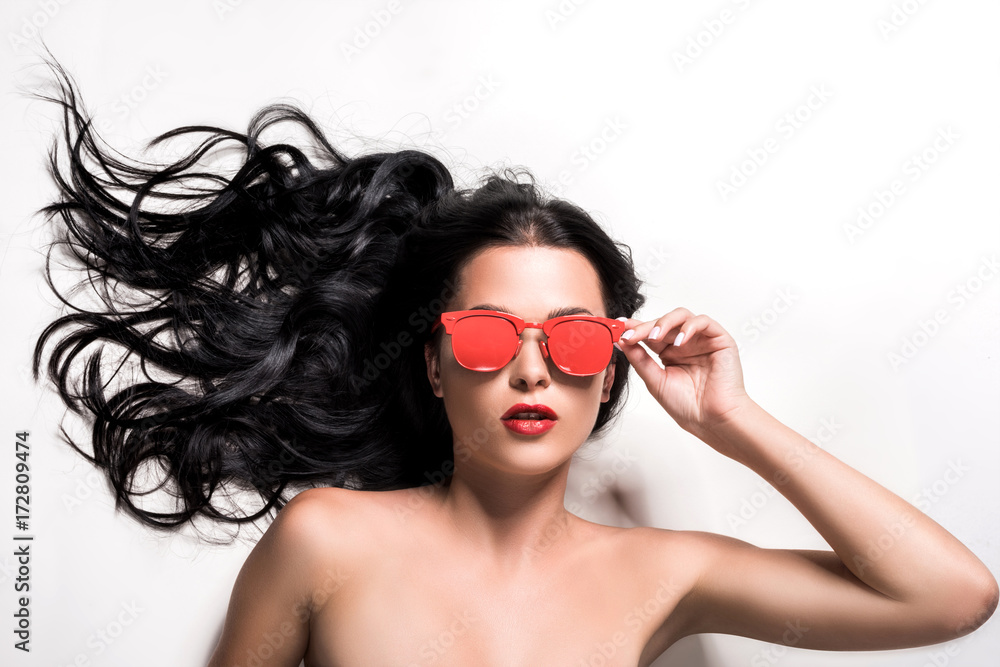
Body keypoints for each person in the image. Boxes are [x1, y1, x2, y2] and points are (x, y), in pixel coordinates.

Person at [30, 55, 997, 667]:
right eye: (490, 335)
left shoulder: (664, 572)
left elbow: (953, 598)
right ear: (435, 365)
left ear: (610, 367)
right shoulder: (329, 540)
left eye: (573, 338)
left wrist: (730, 423)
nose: (533, 372)